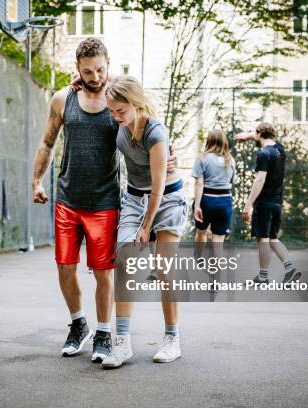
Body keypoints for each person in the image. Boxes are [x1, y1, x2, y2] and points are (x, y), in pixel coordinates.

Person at [31, 38, 177, 363]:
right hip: (67, 198)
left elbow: (148, 126)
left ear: (108, 62)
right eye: (87, 71)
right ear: (77, 70)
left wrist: (169, 156)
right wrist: (36, 180)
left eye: (100, 69)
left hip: (105, 201)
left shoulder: (119, 103)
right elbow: (46, 141)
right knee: (65, 266)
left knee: (104, 271)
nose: (95, 76)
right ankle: (78, 324)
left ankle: (103, 333)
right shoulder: (62, 99)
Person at [101, 75, 188, 369]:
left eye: (120, 111)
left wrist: (145, 227)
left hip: (167, 200)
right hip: (134, 198)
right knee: (125, 261)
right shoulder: (121, 126)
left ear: (136, 104)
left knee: (164, 270)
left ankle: (172, 339)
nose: (115, 117)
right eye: (111, 111)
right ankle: (122, 343)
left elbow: (159, 186)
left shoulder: (156, 132)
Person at [235, 123, 300, 284]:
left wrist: (248, 204)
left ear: (259, 134)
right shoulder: (279, 149)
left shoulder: (263, 154)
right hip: (277, 202)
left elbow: (260, 180)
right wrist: (249, 135)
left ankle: (263, 277)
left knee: (263, 239)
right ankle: (290, 268)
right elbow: (262, 136)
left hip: (264, 202)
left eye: (254, 134)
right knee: (272, 238)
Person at [192, 129, 237, 244]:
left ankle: (200, 260)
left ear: (209, 141)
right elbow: (232, 181)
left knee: (201, 232)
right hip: (224, 201)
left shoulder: (202, 158)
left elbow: (199, 183)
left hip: (206, 201)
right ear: (224, 142)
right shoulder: (230, 160)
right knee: (218, 241)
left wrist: (197, 206)